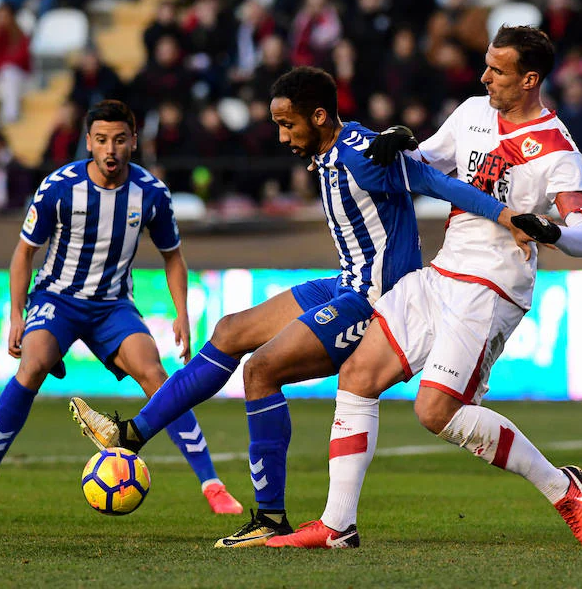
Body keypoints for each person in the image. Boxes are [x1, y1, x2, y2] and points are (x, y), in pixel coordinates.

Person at [69, 66, 534, 548]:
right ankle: (130, 435)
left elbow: (438, 183)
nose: (282, 135)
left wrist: (507, 216)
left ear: (318, 116)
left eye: (288, 124)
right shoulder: (340, 145)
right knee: (230, 330)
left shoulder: (361, 156)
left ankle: (270, 517)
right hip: (344, 282)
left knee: (261, 371)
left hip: (374, 299)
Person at [265, 26, 582, 551]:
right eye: (486, 64)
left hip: (492, 286)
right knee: (357, 376)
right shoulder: (472, 112)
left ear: (530, 78)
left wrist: (549, 231)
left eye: (497, 69)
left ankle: (564, 489)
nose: (484, 76)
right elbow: (424, 166)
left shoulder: (558, 150)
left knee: (434, 412)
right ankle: (337, 526)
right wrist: (395, 144)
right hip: (442, 270)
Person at [0, 100, 244, 516]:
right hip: (57, 298)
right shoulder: (59, 187)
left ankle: (213, 487)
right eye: (102, 140)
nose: (110, 150)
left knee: (156, 374)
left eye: (120, 140)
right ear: (88, 141)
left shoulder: (152, 194)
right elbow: (23, 254)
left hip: (112, 306)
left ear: (134, 142)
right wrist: (17, 314)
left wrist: (181, 312)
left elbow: (173, 256)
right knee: (31, 366)